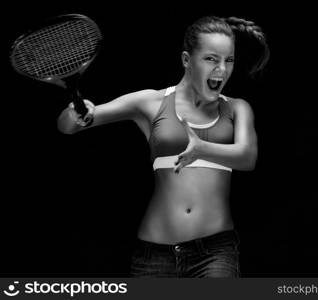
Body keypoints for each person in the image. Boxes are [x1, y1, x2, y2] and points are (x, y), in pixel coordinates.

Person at [57, 15, 270, 277]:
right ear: (186, 60)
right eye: (211, 59)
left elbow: (248, 157)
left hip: (215, 253)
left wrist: (202, 148)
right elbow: (71, 125)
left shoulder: (237, 107)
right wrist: (75, 113)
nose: (222, 70)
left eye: (229, 60)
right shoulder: (150, 102)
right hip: (154, 255)